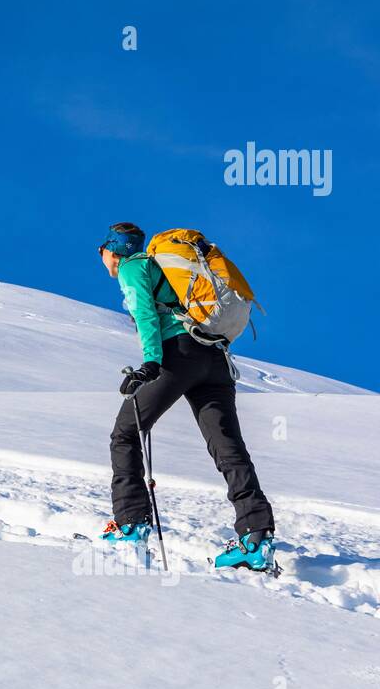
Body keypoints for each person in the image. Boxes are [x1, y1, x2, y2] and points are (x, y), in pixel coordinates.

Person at [96, 222, 276, 571]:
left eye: (100, 250)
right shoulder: (161, 268)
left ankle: (130, 524)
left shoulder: (133, 266)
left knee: (126, 433)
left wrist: (151, 363)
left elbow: (145, 313)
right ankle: (255, 537)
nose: (101, 257)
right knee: (228, 447)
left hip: (178, 354)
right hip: (215, 359)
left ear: (111, 249)